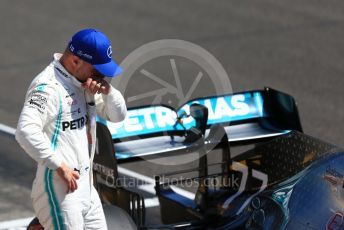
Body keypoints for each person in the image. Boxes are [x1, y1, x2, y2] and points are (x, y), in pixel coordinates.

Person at [15, 28, 127, 230]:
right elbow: (25, 131)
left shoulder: (85, 83)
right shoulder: (48, 87)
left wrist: (109, 91)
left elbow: (118, 116)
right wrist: (59, 164)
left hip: (86, 187)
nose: (101, 76)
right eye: (97, 70)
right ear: (76, 61)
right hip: (60, 190)